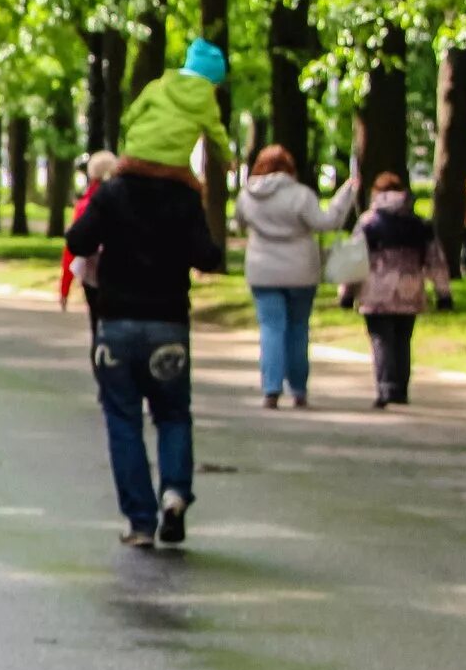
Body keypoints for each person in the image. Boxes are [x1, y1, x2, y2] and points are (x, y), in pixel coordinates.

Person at [64, 152, 225, 548]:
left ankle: (139, 520)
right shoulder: (183, 198)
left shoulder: (112, 194)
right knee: (172, 414)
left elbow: (78, 240)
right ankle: (174, 491)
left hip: (116, 321)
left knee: (123, 419)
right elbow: (208, 255)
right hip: (168, 323)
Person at [235, 146, 357, 408]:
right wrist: (345, 193)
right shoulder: (301, 195)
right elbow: (326, 222)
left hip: (262, 270)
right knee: (298, 329)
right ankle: (299, 389)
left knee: (270, 328)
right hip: (301, 270)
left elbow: (239, 223)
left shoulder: (248, 195)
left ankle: (271, 388)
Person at [350, 171, 454, 409]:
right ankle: (401, 389)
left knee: (381, 339)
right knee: (403, 339)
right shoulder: (419, 224)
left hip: (376, 292)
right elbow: (435, 261)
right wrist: (443, 293)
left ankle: (386, 388)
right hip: (410, 290)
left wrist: (347, 293)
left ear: (377, 193)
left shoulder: (369, 223)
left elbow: (354, 260)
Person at [117, 37, 232, 188]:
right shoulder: (207, 102)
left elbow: (129, 118)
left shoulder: (157, 86)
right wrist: (228, 160)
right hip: (172, 167)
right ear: (212, 82)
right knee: (195, 193)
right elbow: (217, 135)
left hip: (134, 158)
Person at [58, 150, 119, 319]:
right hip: (120, 275)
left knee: (97, 322)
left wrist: (65, 287)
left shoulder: (85, 206)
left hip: (91, 274)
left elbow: (72, 249)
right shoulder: (127, 201)